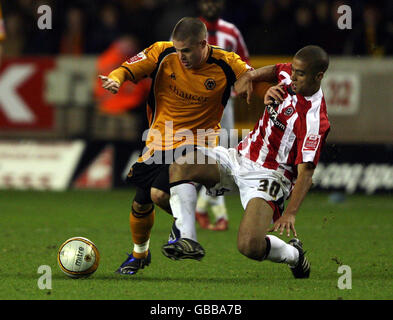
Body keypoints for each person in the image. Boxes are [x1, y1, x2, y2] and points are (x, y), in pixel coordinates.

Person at [98, 17, 252, 275]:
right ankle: (140, 254)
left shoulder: (226, 62)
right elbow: (126, 68)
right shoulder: (161, 52)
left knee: (159, 194)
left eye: (187, 51)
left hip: (197, 143)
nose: (181, 56)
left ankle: (183, 230)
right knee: (141, 202)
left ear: (203, 44)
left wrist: (254, 82)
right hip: (159, 139)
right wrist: (116, 79)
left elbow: (250, 74)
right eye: (178, 50)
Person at [162, 45, 330, 279]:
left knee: (249, 245)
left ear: (318, 76)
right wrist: (251, 76)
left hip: (270, 176)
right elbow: (277, 69)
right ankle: (187, 239)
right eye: (294, 70)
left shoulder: (314, 120)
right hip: (239, 157)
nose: (293, 76)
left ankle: (294, 254)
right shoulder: (287, 76)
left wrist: (290, 213)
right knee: (182, 165)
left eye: (300, 74)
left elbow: (306, 174)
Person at [195, 0, 250, 231]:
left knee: (222, 157)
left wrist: (238, 85)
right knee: (207, 157)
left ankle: (202, 207)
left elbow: (244, 63)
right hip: (196, 104)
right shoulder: (188, 29)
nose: (210, 5)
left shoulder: (231, 31)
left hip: (225, 104)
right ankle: (217, 212)